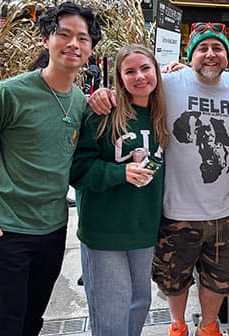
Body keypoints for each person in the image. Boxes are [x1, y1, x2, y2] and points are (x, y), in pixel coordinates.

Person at [0, 1, 102, 336]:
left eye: (83, 38)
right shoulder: (10, 93)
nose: (73, 44)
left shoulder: (80, 101)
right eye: (63, 34)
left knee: (30, 323)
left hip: (51, 232)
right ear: (46, 39)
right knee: (1, 327)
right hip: (5, 231)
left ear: (90, 49)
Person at [90, 23, 229, 336]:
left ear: (228, 55)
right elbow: (135, 85)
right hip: (176, 209)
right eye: (202, 49)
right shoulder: (169, 83)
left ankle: (209, 326)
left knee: (220, 277)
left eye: (218, 49)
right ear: (191, 55)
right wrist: (104, 94)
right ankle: (178, 326)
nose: (210, 55)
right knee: (173, 278)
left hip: (223, 208)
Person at [70, 45, 167, 336]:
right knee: (112, 313)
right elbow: (77, 170)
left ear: (157, 72)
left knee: (139, 305)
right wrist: (120, 172)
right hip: (104, 230)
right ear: (119, 77)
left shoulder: (162, 114)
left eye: (146, 68)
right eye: (130, 71)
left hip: (143, 228)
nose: (140, 76)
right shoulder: (102, 113)